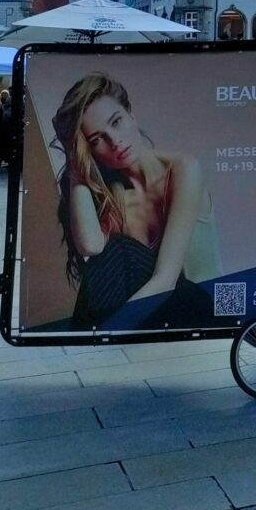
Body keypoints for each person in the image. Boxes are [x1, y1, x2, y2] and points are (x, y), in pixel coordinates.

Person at [51, 73, 221, 330]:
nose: (115, 141)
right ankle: (84, 343)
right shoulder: (112, 194)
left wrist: (108, 333)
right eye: (97, 139)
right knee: (112, 250)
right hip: (155, 310)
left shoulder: (183, 169)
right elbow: (91, 246)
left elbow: (166, 280)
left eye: (116, 122)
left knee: (120, 248)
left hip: (205, 306)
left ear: (131, 114)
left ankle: (83, 344)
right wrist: (75, 161)